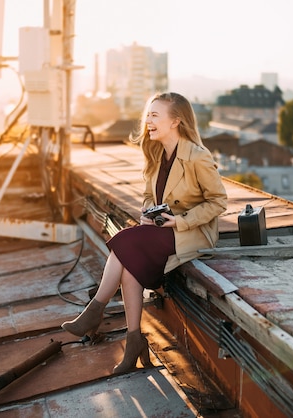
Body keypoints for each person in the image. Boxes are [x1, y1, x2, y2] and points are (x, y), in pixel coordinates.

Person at [62, 92, 228, 373]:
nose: (148, 121)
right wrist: (148, 213)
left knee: (125, 241)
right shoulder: (155, 153)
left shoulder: (197, 156)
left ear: (176, 121)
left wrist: (179, 221)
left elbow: (218, 202)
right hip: (161, 232)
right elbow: (149, 197)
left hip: (191, 232)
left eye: (155, 115)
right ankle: (134, 340)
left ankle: (95, 310)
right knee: (128, 268)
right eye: (147, 115)